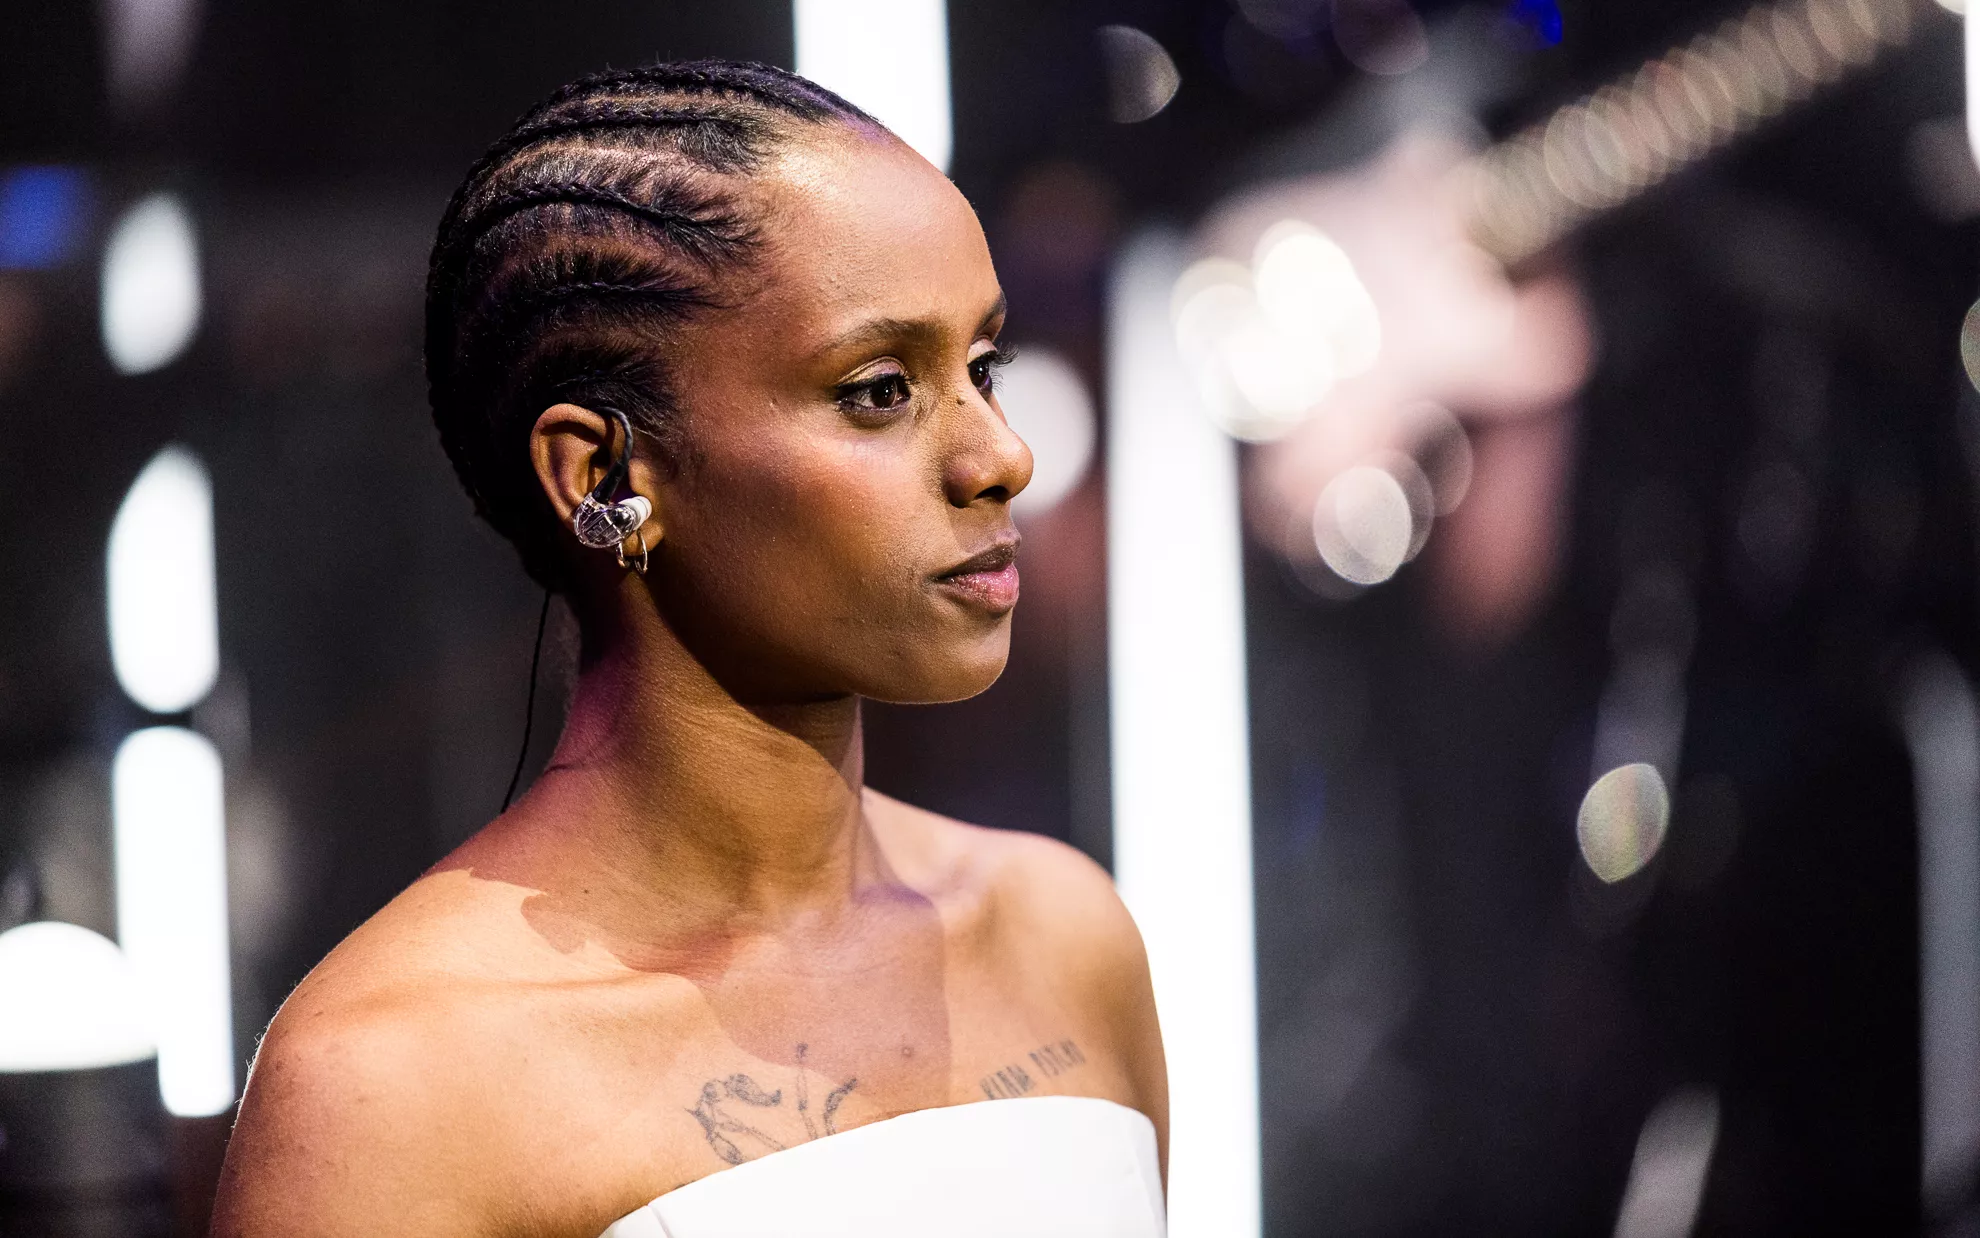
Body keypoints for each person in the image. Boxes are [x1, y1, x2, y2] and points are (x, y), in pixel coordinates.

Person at [211, 61, 1168, 1238]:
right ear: (603, 475)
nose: (1004, 455)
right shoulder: (394, 1080)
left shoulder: (1063, 936)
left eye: (983, 368)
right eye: (880, 389)